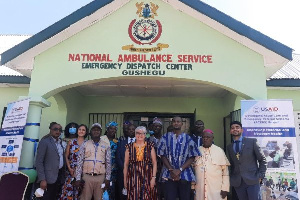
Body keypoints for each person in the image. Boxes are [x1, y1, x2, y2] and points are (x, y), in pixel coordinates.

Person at [158, 116, 201, 200]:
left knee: (185, 197)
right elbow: (161, 155)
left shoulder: (188, 138)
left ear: (182, 124)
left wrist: (180, 170)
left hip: (185, 175)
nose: (176, 123)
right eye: (174, 121)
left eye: (178, 121)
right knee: (169, 197)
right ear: (172, 123)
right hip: (168, 174)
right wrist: (171, 170)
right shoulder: (165, 137)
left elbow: (192, 156)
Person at [226, 121, 266, 200]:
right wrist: (231, 178)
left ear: (242, 130)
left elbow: (262, 160)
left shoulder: (252, 142)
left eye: (237, 127)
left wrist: (260, 175)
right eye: (232, 128)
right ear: (230, 131)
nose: (235, 129)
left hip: (253, 179)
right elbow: (231, 164)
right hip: (238, 182)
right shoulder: (229, 147)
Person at [75, 123, 111, 200]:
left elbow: (108, 163)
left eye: (98, 130)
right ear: (90, 132)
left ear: (101, 132)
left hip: (100, 177)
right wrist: (78, 178)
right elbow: (79, 162)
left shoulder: (106, 145)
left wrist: (107, 178)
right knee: (85, 198)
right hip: (86, 177)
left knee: (99, 198)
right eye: (94, 130)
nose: (96, 131)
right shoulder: (85, 144)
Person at [194, 129, 230, 200]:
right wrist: (192, 187)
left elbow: (225, 173)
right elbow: (193, 171)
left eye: (208, 137)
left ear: (212, 138)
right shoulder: (197, 151)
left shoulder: (219, 151)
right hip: (200, 189)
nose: (205, 139)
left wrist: (225, 188)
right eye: (204, 137)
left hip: (216, 190)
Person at [123, 126, 157, 200]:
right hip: (133, 175)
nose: (140, 135)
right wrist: (125, 180)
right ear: (135, 134)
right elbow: (125, 164)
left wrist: (153, 178)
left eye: (142, 133)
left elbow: (154, 163)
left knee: (147, 196)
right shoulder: (129, 147)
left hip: (148, 175)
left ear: (145, 135)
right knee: (134, 195)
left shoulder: (150, 146)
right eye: (138, 133)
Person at [35, 122, 65, 200]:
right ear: (50, 130)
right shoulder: (45, 142)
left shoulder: (61, 142)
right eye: (55, 129)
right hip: (47, 178)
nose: (58, 131)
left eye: (60, 130)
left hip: (58, 176)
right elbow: (39, 161)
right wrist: (42, 179)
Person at [59, 124, 88, 200]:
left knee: (80, 192)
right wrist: (69, 168)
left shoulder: (88, 143)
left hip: (82, 171)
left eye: (83, 130)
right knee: (68, 190)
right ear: (77, 131)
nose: (81, 131)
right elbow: (66, 156)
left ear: (86, 132)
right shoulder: (71, 142)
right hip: (70, 171)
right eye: (79, 129)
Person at [116, 124, 136, 200]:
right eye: (129, 129)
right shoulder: (121, 142)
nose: (131, 131)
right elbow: (118, 157)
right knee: (123, 195)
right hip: (123, 174)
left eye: (133, 129)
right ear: (126, 131)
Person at [101, 121, 119, 200]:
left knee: (111, 189)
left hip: (113, 170)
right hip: (102, 169)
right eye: (111, 128)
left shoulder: (117, 141)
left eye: (114, 129)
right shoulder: (101, 139)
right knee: (102, 188)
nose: (113, 130)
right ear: (107, 129)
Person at [149, 117, 164, 200]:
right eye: (154, 126)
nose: (156, 128)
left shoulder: (164, 139)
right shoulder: (148, 139)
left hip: (162, 167)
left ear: (161, 127)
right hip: (151, 168)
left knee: (161, 189)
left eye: (158, 126)